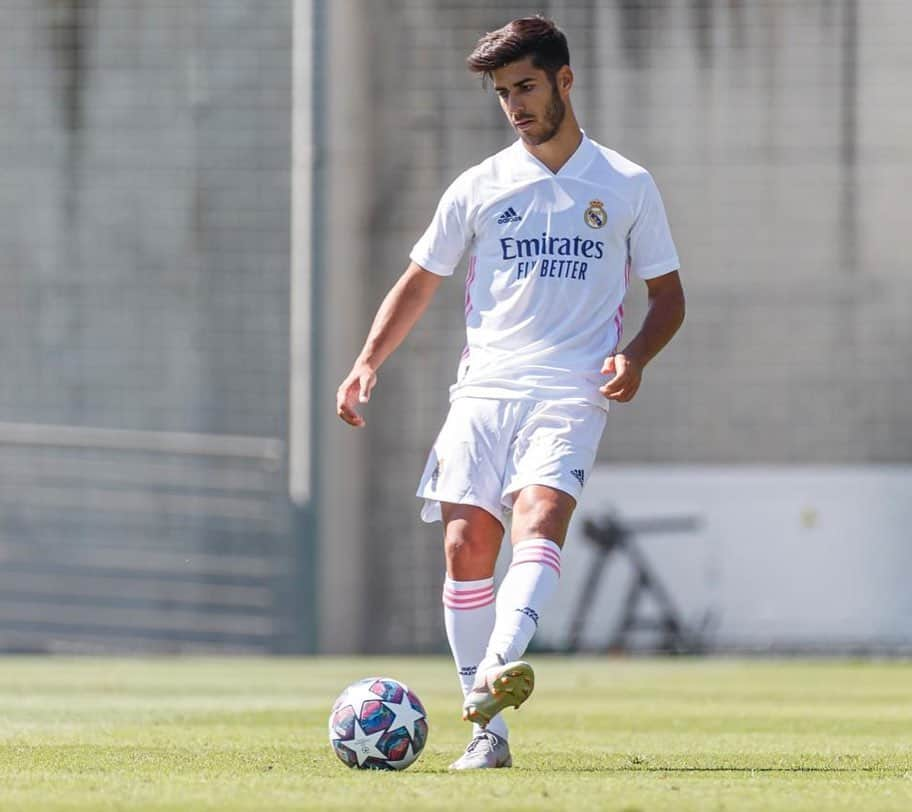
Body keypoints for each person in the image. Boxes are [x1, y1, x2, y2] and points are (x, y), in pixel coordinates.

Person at [336, 15, 685, 770]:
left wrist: (636, 358)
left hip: (571, 388)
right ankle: (488, 732)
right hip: (485, 389)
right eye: (502, 94)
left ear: (564, 80)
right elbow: (421, 279)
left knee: (542, 510)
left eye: (525, 87)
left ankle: (497, 666)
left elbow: (669, 297)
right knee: (466, 544)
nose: (515, 105)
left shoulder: (625, 183)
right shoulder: (480, 186)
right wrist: (367, 361)